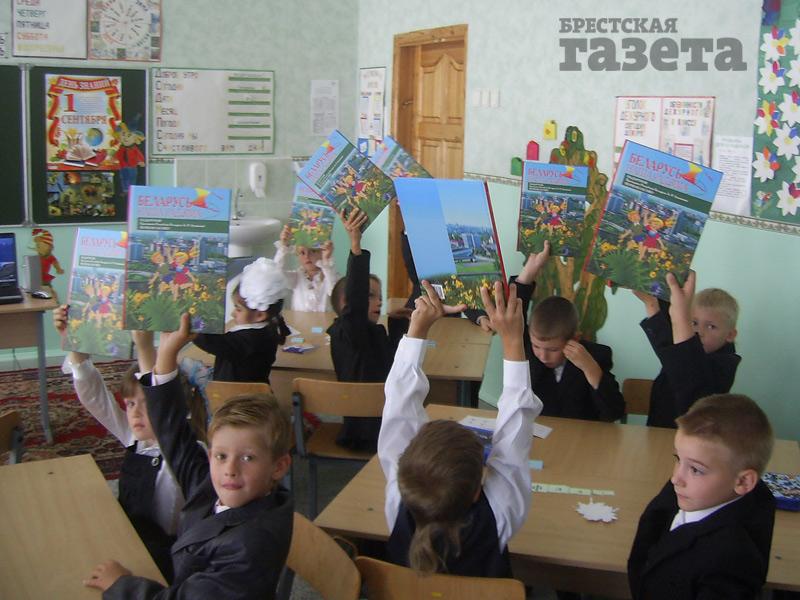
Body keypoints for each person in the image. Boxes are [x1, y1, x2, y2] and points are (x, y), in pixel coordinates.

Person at [84, 313, 294, 599]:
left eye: (247, 458)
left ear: (279, 467)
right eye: (220, 456)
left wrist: (121, 585)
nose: (230, 469)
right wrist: (167, 353)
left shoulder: (249, 546)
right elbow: (174, 435)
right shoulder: (220, 488)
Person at [379, 279, 542, 577]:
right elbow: (399, 407)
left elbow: (398, 408)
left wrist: (417, 328)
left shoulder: (398, 503)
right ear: (478, 492)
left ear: (402, 472)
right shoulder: (499, 516)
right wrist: (513, 340)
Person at [53, 306, 183, 581]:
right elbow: (94, 396)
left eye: (145, 404)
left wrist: (145, 347)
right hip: (128, 537)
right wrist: (76, 343)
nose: (134, 413)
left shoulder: (186, 450)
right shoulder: (135, 437)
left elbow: (163, 406)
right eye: (131, 404)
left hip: (166, 558)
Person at [628, 394, 775, 599]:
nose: (676, 478)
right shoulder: (694, 492)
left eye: (696, 469)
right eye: (678, 458)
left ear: (743, 482)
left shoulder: (732, 560)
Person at [513, 241, 624, 421]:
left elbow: (614, 413)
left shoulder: (596, 356)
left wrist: (590, 368)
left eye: (553, 349)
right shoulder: (527, 348)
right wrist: (530, 271)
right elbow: (514, 313)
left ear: (575, 339)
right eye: (537, 346)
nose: (543, 356)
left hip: (580, 436)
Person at [327, 208, 410, 450]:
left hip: (382, 428)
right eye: (370, 296)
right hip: (366, 435)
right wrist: (356, 246)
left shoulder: (370, 332)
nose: (379, 302)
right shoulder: (349, 332)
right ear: (347, 304)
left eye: (379, 296)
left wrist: (396, 323)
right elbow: (355, 300)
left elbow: (391, 362)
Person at [635, 271, 741, 428]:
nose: (699, 332)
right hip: (659, 430)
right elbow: (668, 347)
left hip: (692, 438)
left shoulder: (725, 364)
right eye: (694, 323)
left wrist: (681, 316)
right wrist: (651, 304)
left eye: (711, 326)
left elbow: (689, 376)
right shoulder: (682, 351)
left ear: (730, 335)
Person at [193, 257, 290, 384]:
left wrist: (192, 324)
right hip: (255, 391)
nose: (233, 314)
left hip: (234, 395)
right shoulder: (267, 329)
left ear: (260, 315)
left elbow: (211, 341)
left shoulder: (249, 340)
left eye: (238, 309)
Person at [274, 224, 339, 311]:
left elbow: (335, 292)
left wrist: (326, 261)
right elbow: (275, 275)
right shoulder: (296, 277)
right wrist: (283, 246)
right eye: (302, 253)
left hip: (325, 319)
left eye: (313, 251)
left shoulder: (329, 276)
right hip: (299, 319)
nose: (307, 256)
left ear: (322, 253)